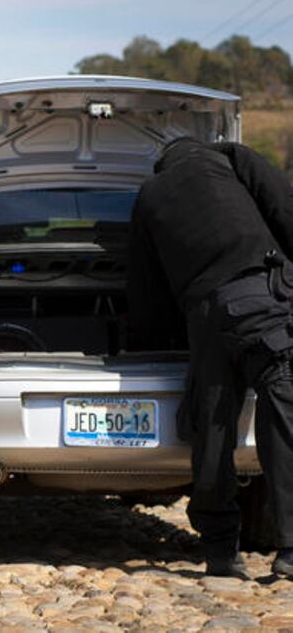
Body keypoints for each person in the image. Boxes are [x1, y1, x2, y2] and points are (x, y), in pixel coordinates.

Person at [128, 138, 293, 580]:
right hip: (260, 295)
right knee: (283, 412)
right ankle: (291, 550)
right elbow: (284, 207)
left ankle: (221, 551)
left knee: (212, 427)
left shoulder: (149, 195)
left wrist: (148, 342)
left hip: (203, 313)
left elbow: (147, 285)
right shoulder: (232, 157)